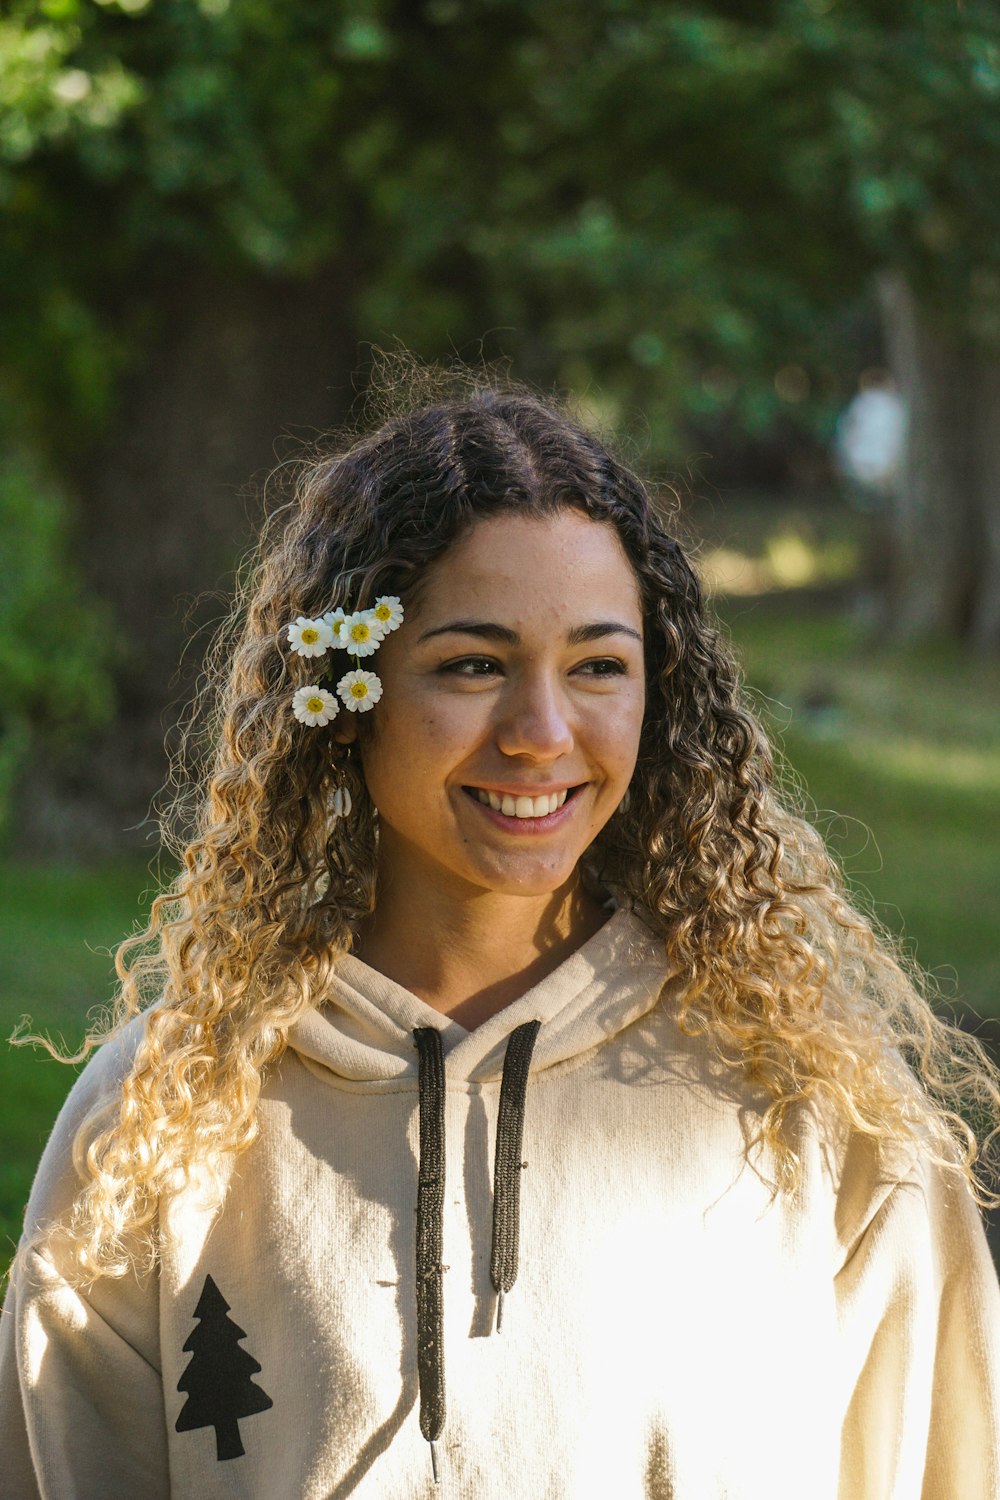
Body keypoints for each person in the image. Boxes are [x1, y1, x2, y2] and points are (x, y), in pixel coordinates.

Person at [2, 367, 999, 1499]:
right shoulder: (158, 1127)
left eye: (597, 667)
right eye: (471, 665)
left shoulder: (820, 1108)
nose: (540, 732)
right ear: (346, 694)